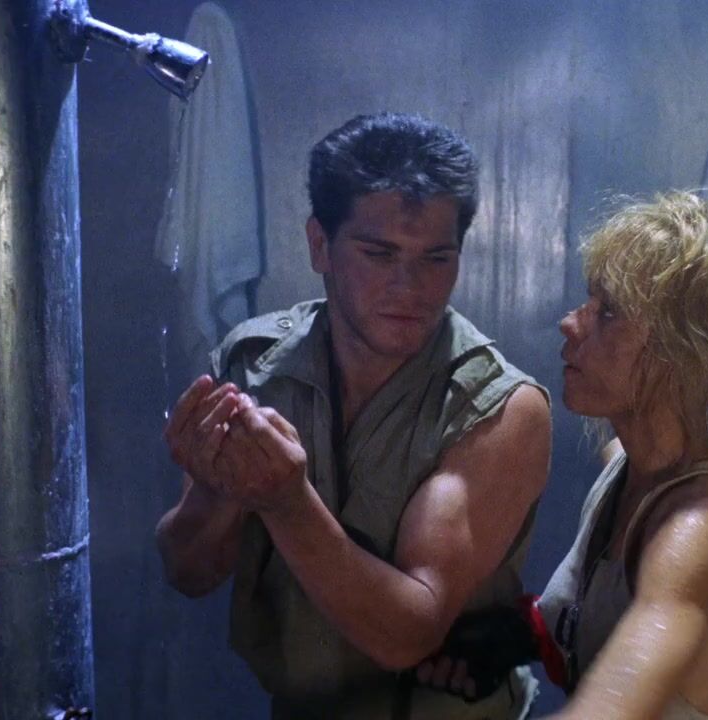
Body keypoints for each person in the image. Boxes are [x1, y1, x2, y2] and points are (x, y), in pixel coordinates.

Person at [155, 112, 551, 719]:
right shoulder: (255, 366)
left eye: (436, 258)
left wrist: (286, 500)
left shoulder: (497, 406)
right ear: (320, 245)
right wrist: (217, 491)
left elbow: (407, 632)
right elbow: (187, 571)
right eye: (379, 254)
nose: (409, 286)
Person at [419, 191, 708, 719]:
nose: (570, 323)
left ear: (681, 356)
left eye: (609, 312)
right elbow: (612, 608)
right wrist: (527, 633)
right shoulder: (630, 466)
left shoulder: (702, 528)